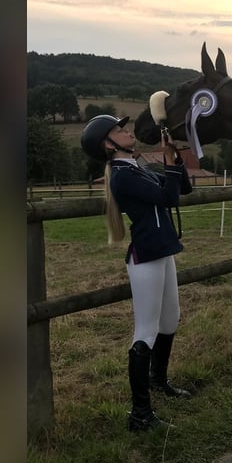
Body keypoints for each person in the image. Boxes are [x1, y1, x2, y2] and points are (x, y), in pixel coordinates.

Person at [80, 114, 193, 432]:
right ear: (108, 143)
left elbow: (183, 189)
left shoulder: (136, 170)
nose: (128, 131)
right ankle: (139, 414)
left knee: (170, 320)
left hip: (162, 252)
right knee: (145, 331)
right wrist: (168, 164)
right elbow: (167, 197)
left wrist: (174, 159)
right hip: (146, 258)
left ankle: (158, 382)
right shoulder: (122, 176)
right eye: (120, 129)